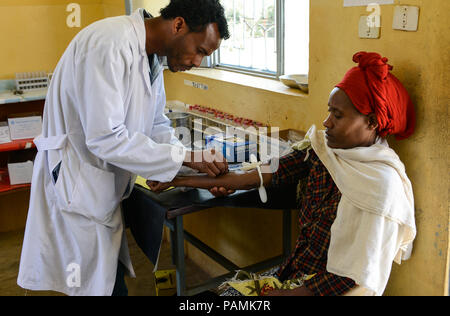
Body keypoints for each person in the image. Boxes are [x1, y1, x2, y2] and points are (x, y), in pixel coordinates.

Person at [148, 52, 417, 296]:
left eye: (337, 115)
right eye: (328, 111)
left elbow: (356, 276)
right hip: (292, 275)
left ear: (371, 122)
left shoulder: (381, 187)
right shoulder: (325, 152)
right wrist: (178, 178)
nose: (326, 122)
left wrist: (289, 295)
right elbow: (265, 173)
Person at [17, 0, 230, 296]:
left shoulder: (151, 58)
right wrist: (186, 158)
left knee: (104, 280)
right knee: (97, 285)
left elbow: (156, 125)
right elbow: (105, 137)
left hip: (100, 187)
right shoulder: (109, 43)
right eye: (201, 51)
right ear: (179, 25)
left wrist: (182, 164)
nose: (198, 62)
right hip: (77, 185)